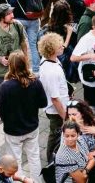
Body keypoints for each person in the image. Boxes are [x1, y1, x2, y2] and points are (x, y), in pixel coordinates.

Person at [0, 51, 46, 179]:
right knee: (34, 157)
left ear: (10, 66)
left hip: (13, 131)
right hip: (32, 127)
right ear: (25, 63)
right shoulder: (35, 82)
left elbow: (0, 109)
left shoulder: (5, 87)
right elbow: (43, 103)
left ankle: (19, 181)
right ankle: (36, 181)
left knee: (14, 161)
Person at [40, 32, 70, 161]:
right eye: (59, 46)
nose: (63, 47)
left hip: (58, 106)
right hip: (56, 111)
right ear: (52, 50)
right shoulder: (51, 71)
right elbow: (55, 98)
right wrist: (65, 117)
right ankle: (50, 160)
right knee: (55, 135)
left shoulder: (50, 60)